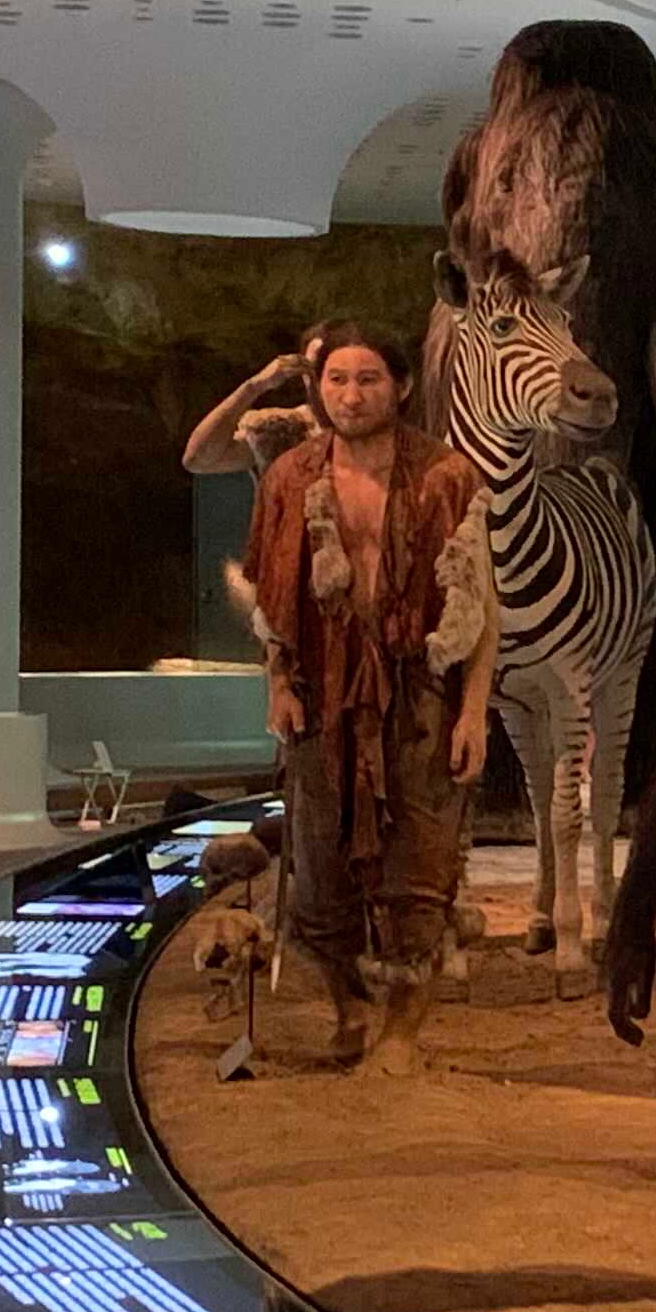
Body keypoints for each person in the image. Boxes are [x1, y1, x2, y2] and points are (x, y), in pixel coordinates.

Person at [241, 320, 497, 1073]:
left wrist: (473, 711)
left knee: (421, 865)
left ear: (402, 386)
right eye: (337, 380)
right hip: (321, 693)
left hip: (420, 693)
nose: (350, 396)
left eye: (368, 379)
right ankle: (351, 1010)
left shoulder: (447, 476)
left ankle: (402, 1033)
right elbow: (271, 598)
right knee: (320, 870)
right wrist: (277, 684)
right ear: (319, 388)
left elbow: (482, 605)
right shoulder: (290, 478)